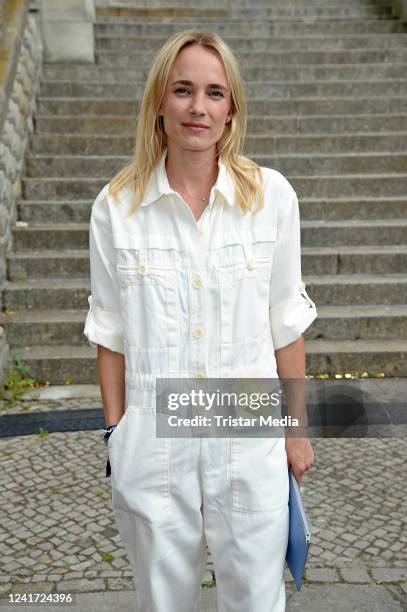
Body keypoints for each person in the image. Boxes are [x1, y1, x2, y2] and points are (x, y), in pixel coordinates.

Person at [84, 29, 317, 612]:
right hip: (153, 431)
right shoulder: (117, 207)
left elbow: (285, 322)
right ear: (160, 101)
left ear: (232, 108)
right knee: (164, 602)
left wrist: (295, 428)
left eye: (215, 93)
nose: (198, 107)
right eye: (183, 90)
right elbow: (109, 333)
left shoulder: (273, 199)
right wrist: (118, 434)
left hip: (248, 424)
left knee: (257, 600)